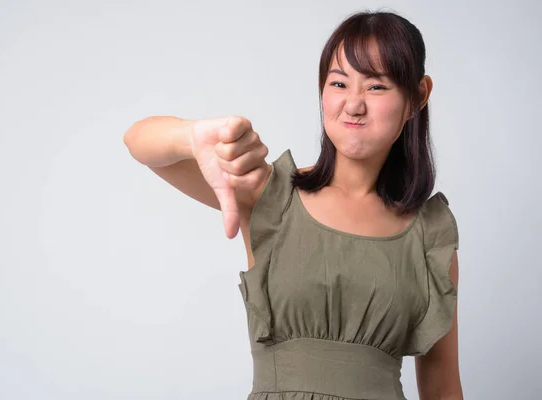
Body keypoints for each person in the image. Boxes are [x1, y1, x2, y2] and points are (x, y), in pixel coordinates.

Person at [123, 9, 463, 400]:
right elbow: (138, 142)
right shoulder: (270, 194)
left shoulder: (430, 238)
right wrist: (190, 136)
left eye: (376, 87)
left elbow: (442, 389)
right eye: (339, 83)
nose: (353, 104)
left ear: (417, 96)